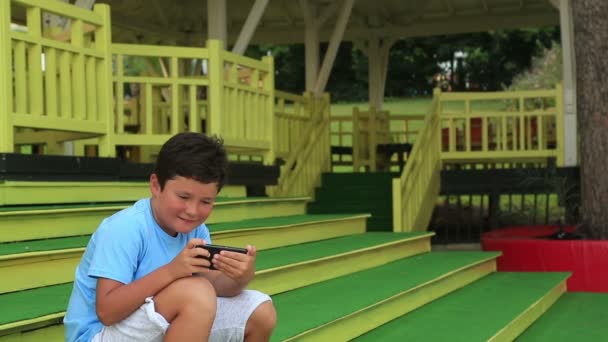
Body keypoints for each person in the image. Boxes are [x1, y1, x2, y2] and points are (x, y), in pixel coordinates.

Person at [64, 132, 277, 342]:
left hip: (150, 325)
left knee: (260, 311)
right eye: (183, 197)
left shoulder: (196, 230)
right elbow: (107, 312)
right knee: (196, 293)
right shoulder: (125, 228)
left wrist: (240, 277)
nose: (193, 211)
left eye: (206, 202)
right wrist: (171, 271)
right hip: (99, 334)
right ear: (156, 186)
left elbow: (215, 286)